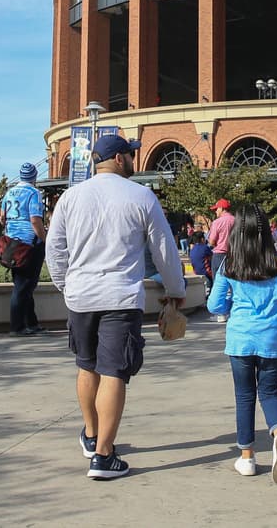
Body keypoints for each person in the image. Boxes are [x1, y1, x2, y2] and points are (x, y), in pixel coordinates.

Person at [45, 135, 187, 480]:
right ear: (120, 159)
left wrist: (66, 285)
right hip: (120, 296)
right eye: (132, 154)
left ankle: (91, 435)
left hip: (81, 295)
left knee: (86, 366)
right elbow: (163, 249)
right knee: (114, 372)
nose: (134, 160)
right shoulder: (141, 196)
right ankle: (104, 456)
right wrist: (175, 289)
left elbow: (55, 247)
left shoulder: (70, 196)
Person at [206, 203, 277, 482]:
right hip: (272, 338)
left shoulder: (230, 264)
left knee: (244, 397)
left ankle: (247, 457)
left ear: (238, 232)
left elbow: (215, 305)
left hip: (240, 338)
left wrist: (232, 304)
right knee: (271, 393)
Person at [0, 162, 47, 336]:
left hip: (11, 243)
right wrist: (44, 239)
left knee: (24, 285)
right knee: (23, 286)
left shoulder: (9, 192)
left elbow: (2, 217)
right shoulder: (34, 193)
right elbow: (35, 220)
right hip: (29, 243)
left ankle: (31, 323)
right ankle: (17, 326)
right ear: (34, 177)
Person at [207, 198, 235, 323]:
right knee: (234, 283)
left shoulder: (217, 222)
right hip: (234, 255)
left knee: (219, 284)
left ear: (222, 208)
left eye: (216, 209)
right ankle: (234, 310)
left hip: (219, 255)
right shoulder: (236, 221)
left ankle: (221, 313)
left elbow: (212, 241)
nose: (215, 212)